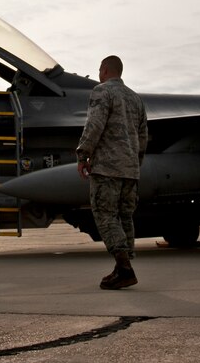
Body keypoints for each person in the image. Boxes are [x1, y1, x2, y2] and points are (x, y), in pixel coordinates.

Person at [76, 56, 148, 290]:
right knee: (124, 216)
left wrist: (83, 154)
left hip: (107, 167)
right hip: (130, 169)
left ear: (105, 70)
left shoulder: (102, 91)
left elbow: (94, 124)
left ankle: (125, 269)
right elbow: (143, 136)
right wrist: (136, 163)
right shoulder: (135, 98)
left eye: (99, 70)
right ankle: (121, 267)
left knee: (105, 215)